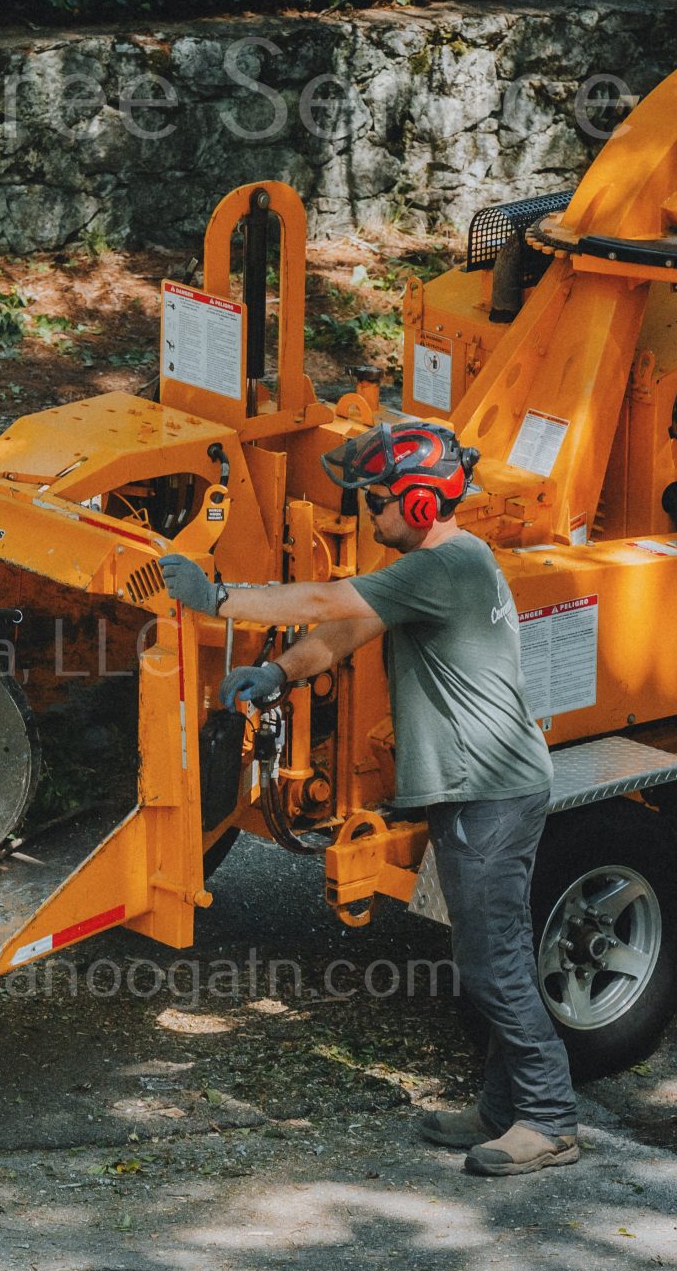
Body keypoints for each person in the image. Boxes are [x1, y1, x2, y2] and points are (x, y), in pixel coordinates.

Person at [157, 419, 578, 1176]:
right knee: (484, 952)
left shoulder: (443, 568)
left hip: (491, 791)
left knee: (494, 962)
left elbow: (322, 593)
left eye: (378, 501)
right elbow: (345, 629)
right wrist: (281, 673)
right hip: (477, 789)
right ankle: (502, 1107)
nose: (368, 514)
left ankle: (549, 1118)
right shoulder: (441, 564)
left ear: (418, 504)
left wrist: (219, 598)